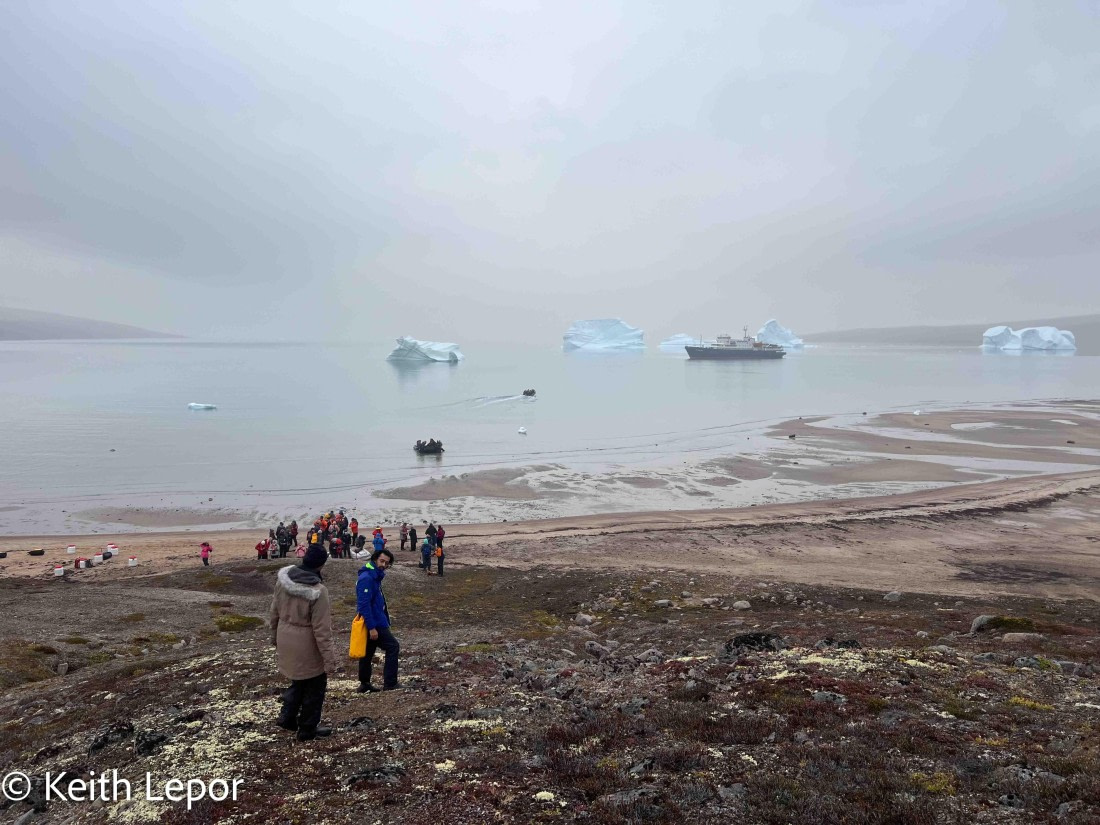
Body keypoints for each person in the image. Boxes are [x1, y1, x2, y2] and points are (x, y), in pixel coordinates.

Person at [270, 545, 338, 741]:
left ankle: (287, 717)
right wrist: (330, 659)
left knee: (298, 681)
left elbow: (274, 611)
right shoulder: (318, 591)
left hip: (285, 637)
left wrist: (274, 637)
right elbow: (322, 630)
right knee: (315, 686)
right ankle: (307, 729)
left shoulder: (283, 580)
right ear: (322, 564)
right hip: (306, 644)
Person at [355, 548, 399, 692]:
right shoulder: (367, 578)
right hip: (373, 622)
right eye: (382, 561)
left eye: (387, 563)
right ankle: (390, 683)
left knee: (368, 652)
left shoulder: (375, 575)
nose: (384, 565)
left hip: (375, 620)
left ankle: (364, 684)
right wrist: (372, 627)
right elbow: (363, 604)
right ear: (375, 559)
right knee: (393, 646)